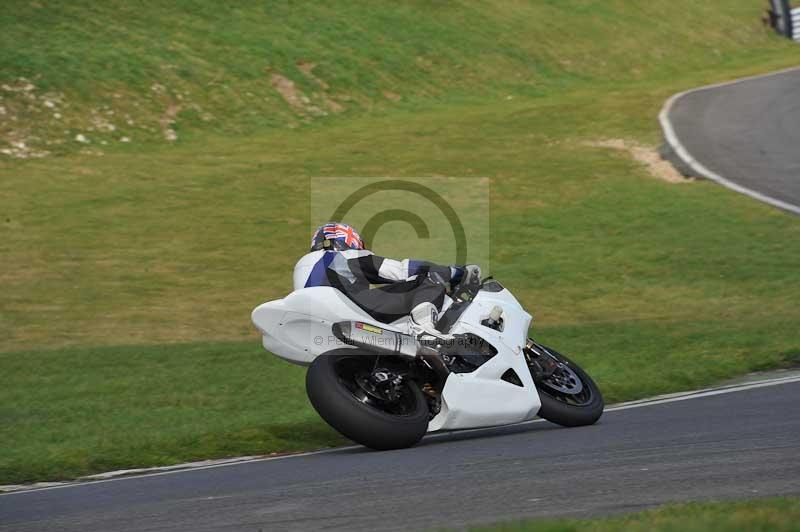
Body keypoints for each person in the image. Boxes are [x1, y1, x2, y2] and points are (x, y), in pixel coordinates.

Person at [294, 222, 479, 325]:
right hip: (351, 310)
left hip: (316, 322)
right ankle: (426, 330)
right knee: (428, 278)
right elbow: (401, 271)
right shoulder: (346, 256)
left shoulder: (302, 266)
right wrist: (455, 273)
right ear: (349, 240)